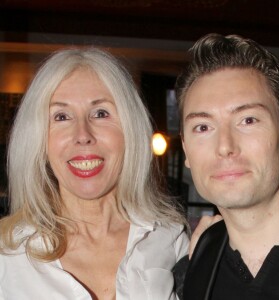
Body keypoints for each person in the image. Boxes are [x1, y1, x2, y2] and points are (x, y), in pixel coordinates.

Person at [0, 47, 189, 299]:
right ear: (39, 141)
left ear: (129, 130)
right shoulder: (7, 253)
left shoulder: (169, 237)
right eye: (61, 116)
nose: (82, 135)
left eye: (100, 113)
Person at [175, 33, 279, 300]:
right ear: (186, 150)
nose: (224, 146)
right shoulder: (191, 274)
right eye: (203, 127)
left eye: (248, 120)